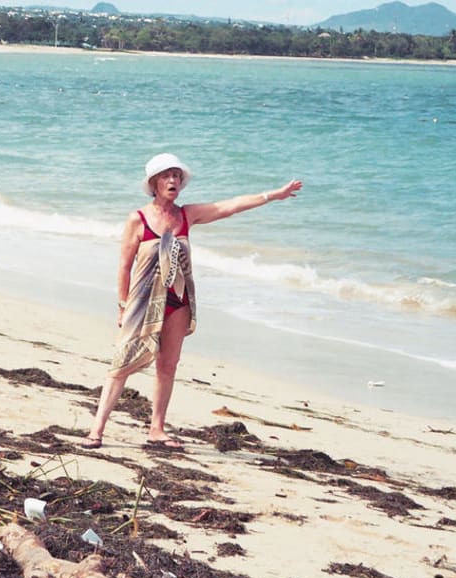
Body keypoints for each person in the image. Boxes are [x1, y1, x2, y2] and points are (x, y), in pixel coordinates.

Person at [83, 153, 303, 449]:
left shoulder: (186, 214)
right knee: (122, 364)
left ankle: (156, 429)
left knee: (168, 365)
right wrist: (122, 306)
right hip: (143, 303)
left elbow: (229, 207)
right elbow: (124, 266)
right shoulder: (139, 218)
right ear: (153, 183)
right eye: (166, 176)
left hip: (179, 301)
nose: (173, 180)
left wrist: (272, 196)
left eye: (177, 176)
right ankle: (96, 431)